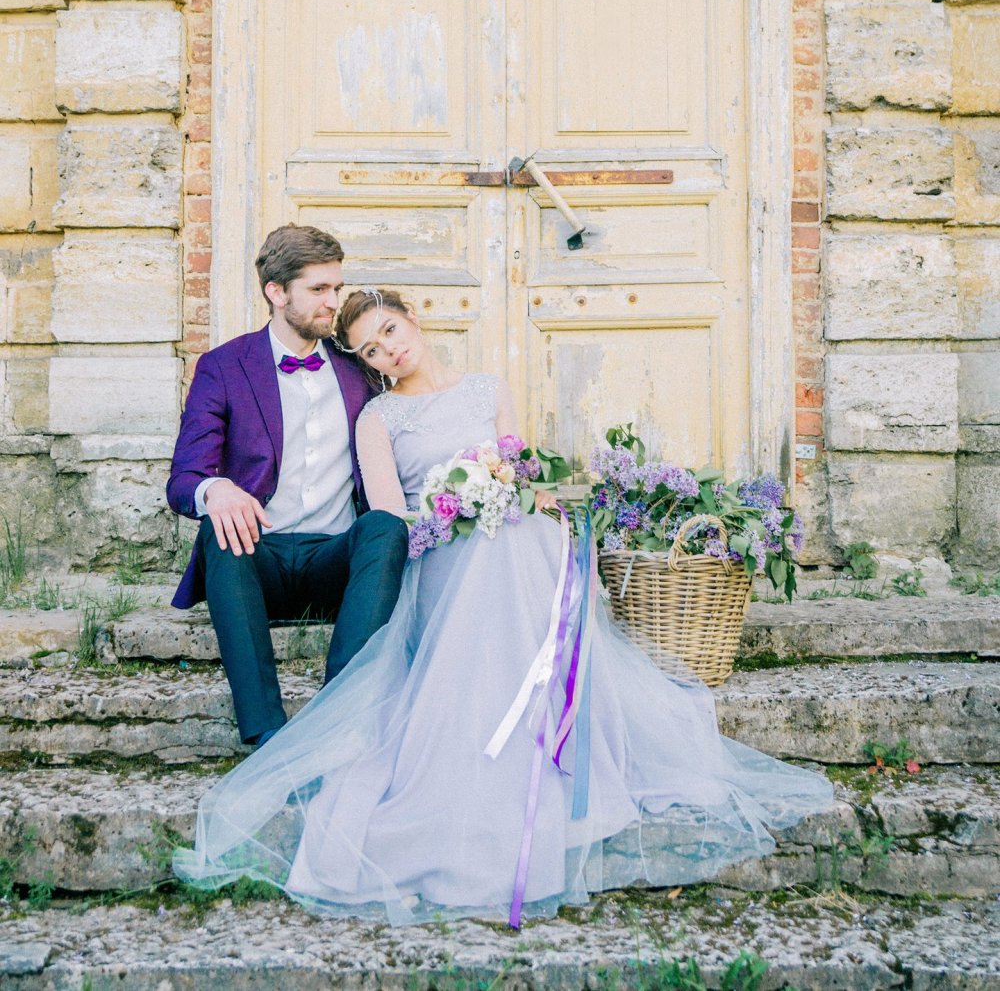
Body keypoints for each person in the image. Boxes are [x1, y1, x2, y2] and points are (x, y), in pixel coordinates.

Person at [174, 287, 834, 923]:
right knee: (495, 542)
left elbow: (521, 476)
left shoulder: (487, 390)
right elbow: (388, 516)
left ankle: (540, 720)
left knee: (525, 533)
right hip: (436, 550)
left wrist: (515, 497)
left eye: (390, 332)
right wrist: (455, 507)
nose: (387, 352)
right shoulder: (377, 418)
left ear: (413, 318)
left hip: (505, 534)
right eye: (370, 351)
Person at [166, 228, 409, 749]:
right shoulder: (224, 367)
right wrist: (216, 489)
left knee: (385, 527)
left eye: (336, 288)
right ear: (276, 292)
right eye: (319, 289)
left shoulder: (358, 368)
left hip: (335, 560)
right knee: (218, 529)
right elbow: (184, 477)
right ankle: (267, 732)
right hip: (259, 559)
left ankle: (336, 716)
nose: (333, 302)